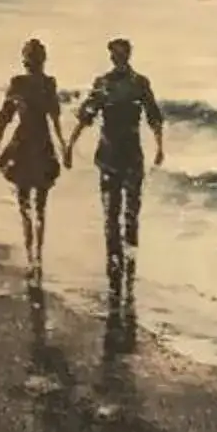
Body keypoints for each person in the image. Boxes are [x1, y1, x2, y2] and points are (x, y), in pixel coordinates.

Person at [67, 37, 165, 289]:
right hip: (111, 155)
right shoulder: (105, 84)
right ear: (112, 57)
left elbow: (154, 116)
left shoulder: (138, 83)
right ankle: (116, 261)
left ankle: (128, 261)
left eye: (121, 54)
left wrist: (160, 147)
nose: (118, 58)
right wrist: (70, 144)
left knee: (129, 211)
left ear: (127, 56)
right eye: (116, 55)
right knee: (113, 212)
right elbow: (87, 116)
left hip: (129, 155)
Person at [0, 38, 71, 282]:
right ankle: (37, 258)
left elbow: (4, 119)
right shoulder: (46, 83)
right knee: (39, 208)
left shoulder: (21, 83)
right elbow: (54, 119)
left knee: (26, 207)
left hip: (25, 145)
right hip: (40, 145)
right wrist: (64, 147)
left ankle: (32, 259)